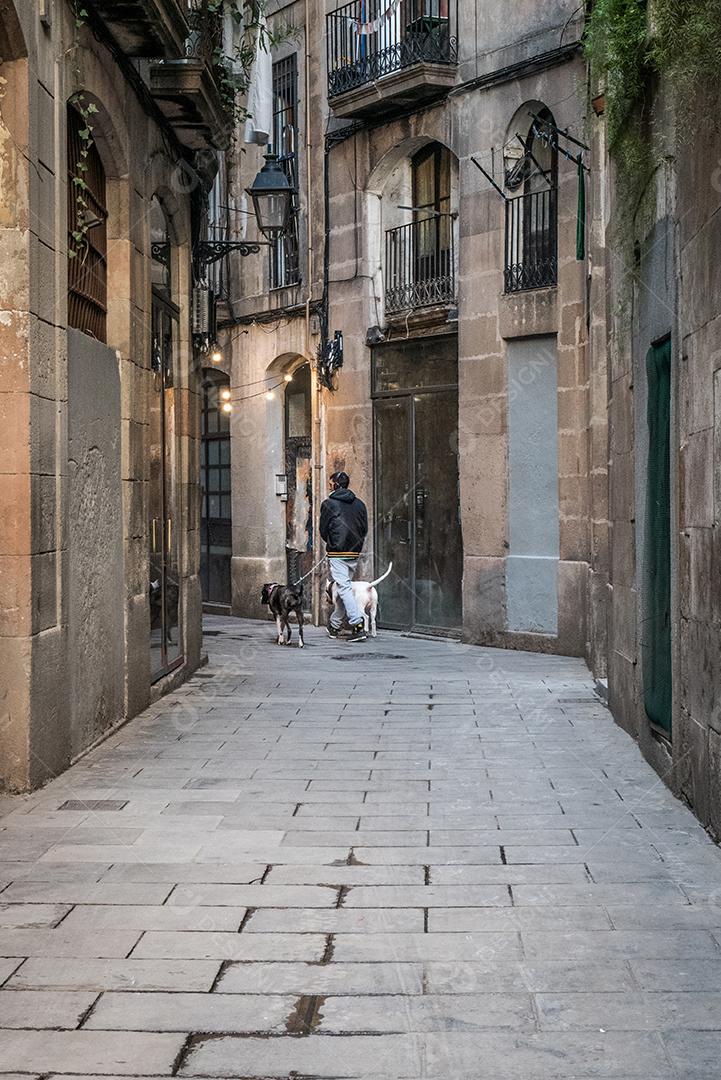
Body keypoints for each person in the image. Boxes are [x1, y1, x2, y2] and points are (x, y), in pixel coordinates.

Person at [320, 471, 369, 642]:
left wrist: (332, 542)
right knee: (344, 587)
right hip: (354, 551)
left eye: (330, 483)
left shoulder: (328, 504)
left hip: (337, 551)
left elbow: (323, 530)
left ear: (334, 484)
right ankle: (334, 624)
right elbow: (364, 529)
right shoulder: (360, 504)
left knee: (344, 587)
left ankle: (357, 624)